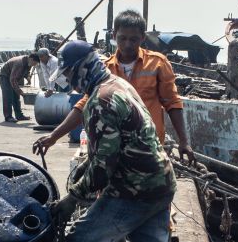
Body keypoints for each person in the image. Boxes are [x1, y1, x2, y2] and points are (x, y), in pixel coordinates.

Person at [31, 40, 178, 242]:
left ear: (84, 69)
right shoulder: (117, 85)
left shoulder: (102, 101)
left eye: (70, 75)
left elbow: (102, 169)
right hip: (160, 184)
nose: (69, 81)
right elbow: (108, 153)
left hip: (132, 190)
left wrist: (72, 199)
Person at [35, 10, 194, 163]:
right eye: (122, 38)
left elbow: (172, 103)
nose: (127, 44)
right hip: (113, 149)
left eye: (133, 39)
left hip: (148, 147)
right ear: (113, 36)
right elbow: (84, 104)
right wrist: (54, 136)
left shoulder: (158, 64)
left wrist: (184, 141)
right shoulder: (104, 69)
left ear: (143, 38)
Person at [0, 52, 36, 122]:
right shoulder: (19, 63)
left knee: (16, 96)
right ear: (31, 59)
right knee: (8, 96)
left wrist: (27, 77)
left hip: (12, 76)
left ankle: (19, 115)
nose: (35, 65)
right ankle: (8, 116)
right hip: (5, 77)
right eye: (35, 63)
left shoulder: (28, 62)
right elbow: (13, 79)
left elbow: (26, 71)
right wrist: (19, 90)